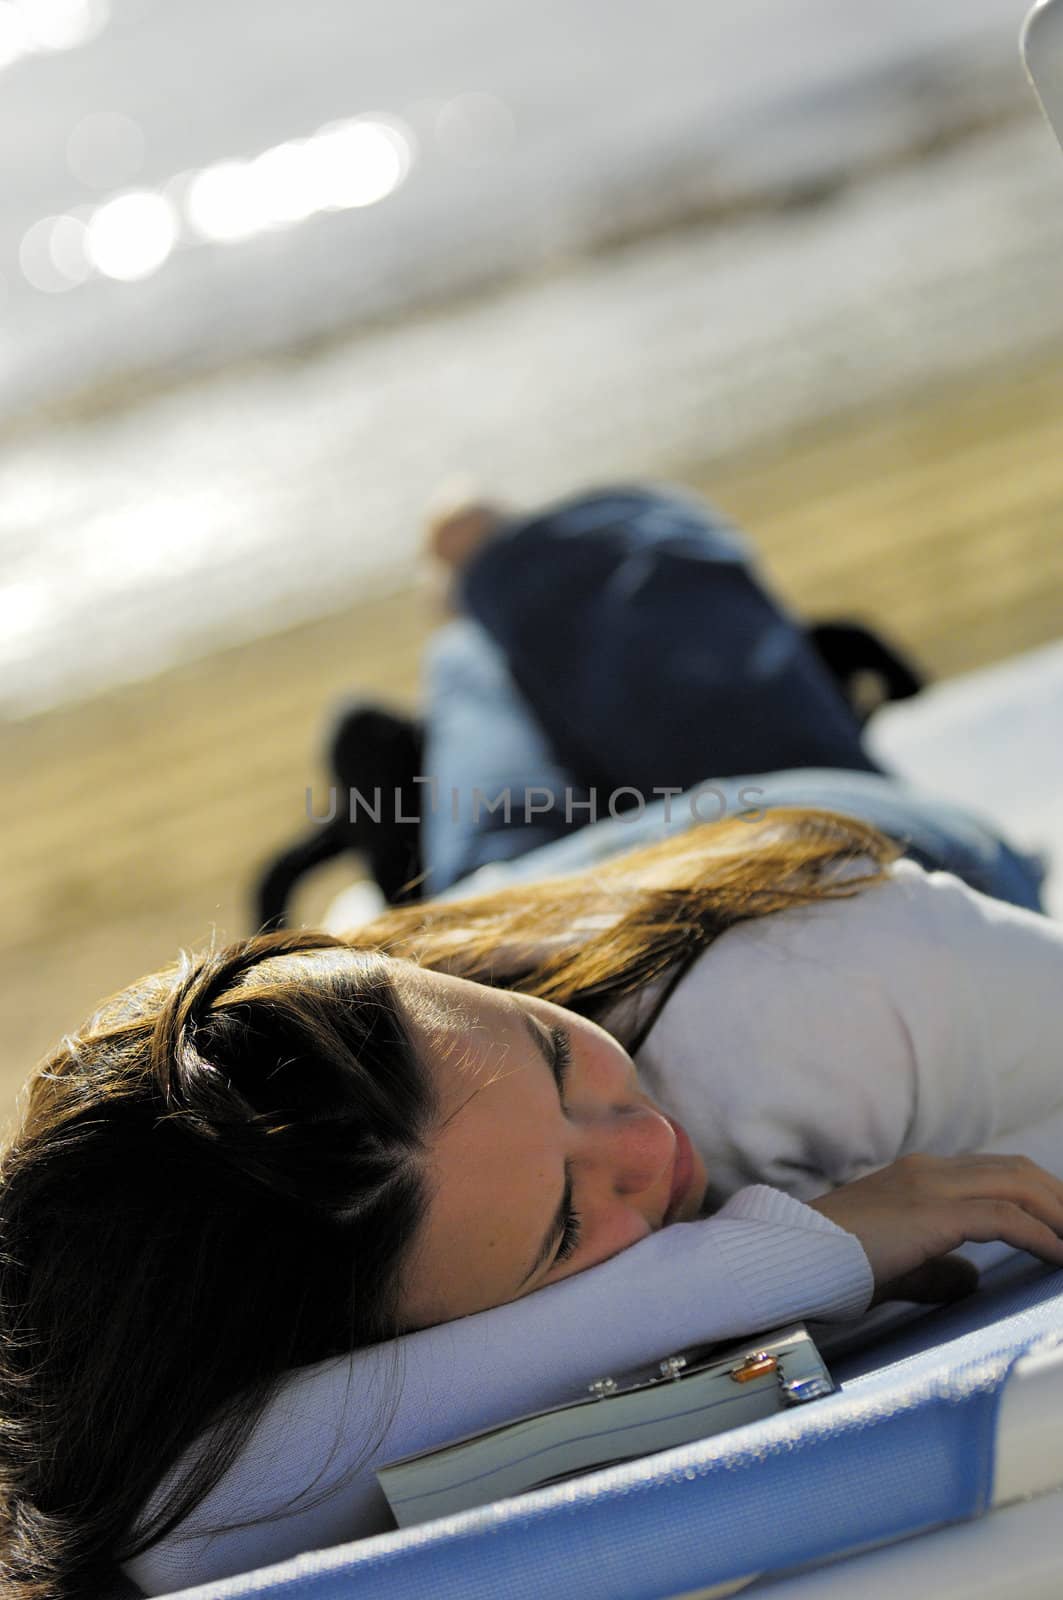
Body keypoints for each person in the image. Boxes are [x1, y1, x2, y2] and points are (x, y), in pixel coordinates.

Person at [2, 485, 1061, 1600]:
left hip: (783, 866)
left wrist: (715, 1262)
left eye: (557, 1066)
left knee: (640, 580)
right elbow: (174, 1533)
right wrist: (762, 1259)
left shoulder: (839, 992)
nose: (647, 1143)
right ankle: (467, 657)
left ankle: (493, 557)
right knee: (499, 828)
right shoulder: (426, 1122)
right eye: (564, 1222)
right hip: (487, 943)